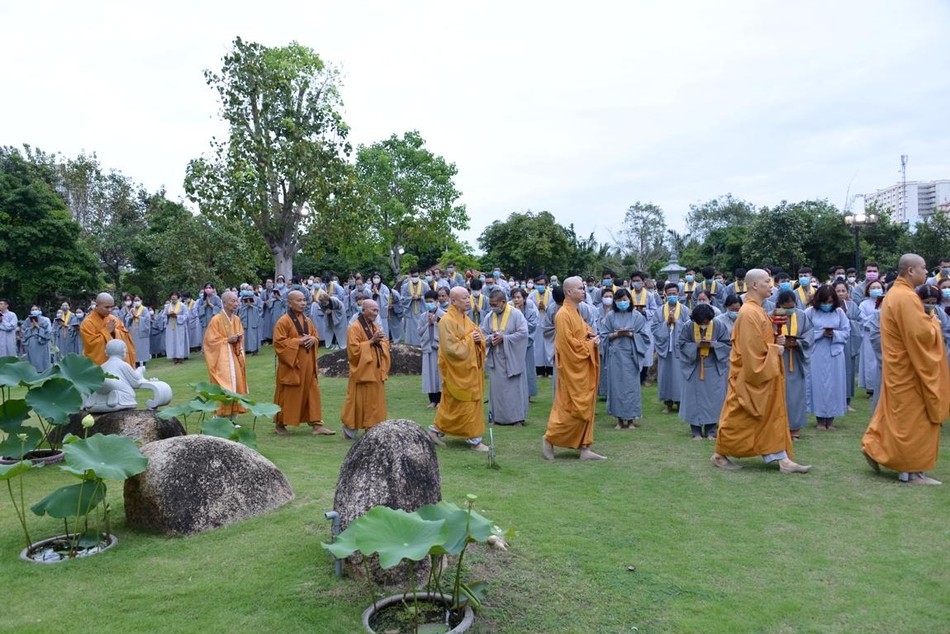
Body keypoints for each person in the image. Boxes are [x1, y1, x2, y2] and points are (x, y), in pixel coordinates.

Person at [711, 269, 811, 474]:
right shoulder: (748, 313)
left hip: (766, 374)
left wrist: (776, 341)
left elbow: (762, 342)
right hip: (751, 377)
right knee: (741, 417)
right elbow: (751, 352)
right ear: (754, 285)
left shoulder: (758, 310)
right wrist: (776, 349)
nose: (771, 285)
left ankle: (782, 459)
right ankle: (720, 454)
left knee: (770, 416)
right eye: (767, 281)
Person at [862, 254, 949, 485]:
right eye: (923, 268)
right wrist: (934, 324)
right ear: (910, 271)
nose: (927, 271)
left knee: (894, 415)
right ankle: (910, 471)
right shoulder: (905, 297)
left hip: (899, 368)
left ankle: (874, 447)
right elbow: (919, 334)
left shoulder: (896, 294)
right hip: (910, 370)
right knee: (913, 419)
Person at [542, 276, 605, 460]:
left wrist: (591, 337)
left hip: (583, 368)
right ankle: (549, 439)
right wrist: (589, 345)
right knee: (570, 409)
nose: (584, 290)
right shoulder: (562, 315)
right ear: (569, 292)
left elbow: (583, 332)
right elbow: (567, 346)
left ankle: (585, 448)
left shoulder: (575, 312)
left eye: (583, 287)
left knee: (585, 408)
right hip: (572, 371)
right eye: (580, 288)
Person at [428, 286, 489, 452]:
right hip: (456, 371)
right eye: (464, 298)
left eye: (468, 297)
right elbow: (451, 349)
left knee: (452, 405)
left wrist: (478, 340)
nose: (468, 301)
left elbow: (478, 335)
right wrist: (471, 339)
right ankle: (474, 440)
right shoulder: (447, 321)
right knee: (464, 402)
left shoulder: (465, 319)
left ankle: (435, 431)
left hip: (468, 370)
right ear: (453, 301)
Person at [271, 290, 335, 435]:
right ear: (289, 303)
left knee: (312, 393)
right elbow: (279, 343)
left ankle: (317, 425)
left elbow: (315, 337)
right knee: (289, 394)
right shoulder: (284, 321)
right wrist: (298, 341)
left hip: (308, 365)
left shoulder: (308, 320)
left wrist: (313, 340)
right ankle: (280, 424)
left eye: (304, 300)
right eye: (299, 300)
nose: (303, 303)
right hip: (292, 365)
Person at [599, 288, 650, 429]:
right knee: (616, 387)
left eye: (625, 300)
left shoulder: (637, 316)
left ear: (630, 300)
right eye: (619, 300)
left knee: (631, 387)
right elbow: (603, 335)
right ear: (615, 301)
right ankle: (619, 420)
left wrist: (631, 334)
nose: (622, 302)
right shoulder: (610, 316)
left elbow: (645, 337)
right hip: (615, 356)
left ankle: (631, 419)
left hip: (631, 356)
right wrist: (616, 334)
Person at [678, 303, 731, 440]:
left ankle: (711, 431)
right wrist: (696, 345)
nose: (704, 324)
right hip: (694, 366)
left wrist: (713, 345)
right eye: (701, 322)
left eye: (706, 322)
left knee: (713, 399)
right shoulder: (687, 326)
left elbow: (727, 344)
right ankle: (695, 431)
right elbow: (682, 344)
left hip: (713, 365)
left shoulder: (719, 325)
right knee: (693, 399)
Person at [340, 299, 390, 439]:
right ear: (363, 310)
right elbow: (353, 350)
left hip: (375, 371)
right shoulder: (354, 327)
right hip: (362, 372)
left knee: (375, 402)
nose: (376, 312)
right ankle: (349, 430)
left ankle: (372, 428)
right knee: (357, 403)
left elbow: (384, 343)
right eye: (373, 310)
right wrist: (371, 342)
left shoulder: (375, 326)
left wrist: (381, 343)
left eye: (377, 310)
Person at [481, 289, 530, 426]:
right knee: (497, 390)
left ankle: (516, 418)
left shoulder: (516, 314)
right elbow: (482, 334)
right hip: (496, 359)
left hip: (512, 357)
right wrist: (491, 338)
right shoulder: (489, 316)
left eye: (495, 304)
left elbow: (523, 333)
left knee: (514, 389)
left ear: (503, 302)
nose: (493, 307)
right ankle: (497, 417)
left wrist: (505, 338)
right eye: (491, 304)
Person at [805, 285, 850, 430]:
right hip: (817, 352)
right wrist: (820, 333)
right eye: (824, 302)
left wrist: (834, 334)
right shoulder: (810, 313)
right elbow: (805, 333)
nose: (827, 305)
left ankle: (831, 419)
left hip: (834, 352)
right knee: (818, 385)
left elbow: (846, 331)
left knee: (835, 384)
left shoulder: (839, 313)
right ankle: (819, 419)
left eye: (830, 302)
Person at [770, 290, 813, 439]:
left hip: (795, 358)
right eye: (786, 306)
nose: (789, 309)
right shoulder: (771, 316)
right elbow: (765, 337)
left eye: (792, 305)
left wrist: (797, 342)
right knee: (778, 394)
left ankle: (795, 428)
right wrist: (777, 342)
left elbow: (809, 334)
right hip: (777, 358)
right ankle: (778, 428)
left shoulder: (801, 315)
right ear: (779, 304)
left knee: (795, 395)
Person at [202, 291, 248, 418]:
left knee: (236, 384)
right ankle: (219, 416)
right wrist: (227, 340)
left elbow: (240, 335)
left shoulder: (237, 319)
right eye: (233, 301)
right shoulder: (216, 320)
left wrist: (237, 339)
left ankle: (233, 417)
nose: (236, 304)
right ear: (224, 303)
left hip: (235, 356)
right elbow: (210, 342)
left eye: (236, 301)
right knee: (224, 386)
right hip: (222, 359)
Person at [651, 283, 690, 414]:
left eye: (674, 293)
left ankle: (680, 402)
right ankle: (667, 403)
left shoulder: (684, 310)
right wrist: (666, 323)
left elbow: (689, 328)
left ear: (679, 294)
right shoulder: (659, 310)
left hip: (679, 348)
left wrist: (676, 322)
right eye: (670, 294)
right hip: (665, 347)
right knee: (665, 375)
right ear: (665, 295)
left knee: (679, 376)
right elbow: (654, 328)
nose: (672, 296)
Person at [81, 292, 136, 366]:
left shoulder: (113, 319)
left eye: (111, 307)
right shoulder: (87, 323)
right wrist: (107, 331)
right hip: (98, 365)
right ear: (97, 306)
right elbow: (91, 345)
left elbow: (126, 336)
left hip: (116, 364)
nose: (110, 310)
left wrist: (114, 332)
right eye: (106, 307)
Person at [857, 279, 885, 400]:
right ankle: (871, 389)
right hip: (868, 336)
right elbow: (862, 320)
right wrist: (876, 317)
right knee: (870, 362)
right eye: (873, 288)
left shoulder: (886, 302)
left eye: (878, 287)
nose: (876, 290)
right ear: (868, 290)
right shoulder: (864, 304)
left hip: (883, 334)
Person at [511, 287, 540, 400]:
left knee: (528, 369)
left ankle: (528, 394)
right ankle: (515, 393)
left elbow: (531, 327)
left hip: (527, 344)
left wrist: (519, 316)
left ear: (524, 298)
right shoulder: (510, 311)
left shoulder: (531, 312)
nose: (516, 300)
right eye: (514, 297)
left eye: (518, 297)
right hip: (513, 344)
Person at [418, 289, 444, 408]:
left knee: (439, 374)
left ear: (437, 301)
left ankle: (441, 399)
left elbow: (446, 330)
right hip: (428, 348)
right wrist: (428, 323)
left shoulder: (443, 314)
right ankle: (432, 400)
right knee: (429, 374)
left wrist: (435, 322)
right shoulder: (423, 316)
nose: (429, 303)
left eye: (431, 301)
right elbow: (420, 332)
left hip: (439, 348)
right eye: (427, 301)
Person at [21, 306, 52, 372]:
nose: (34, 311)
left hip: (42, 343)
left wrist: (38, 327)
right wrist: (31, 328)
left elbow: (48, 333)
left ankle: (44, 372)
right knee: (33, 360)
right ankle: (33, 372)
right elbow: (23, 332)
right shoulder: (27, 321)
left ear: (39, 310)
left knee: (43, 360)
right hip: (32, 343)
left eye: (36, 309)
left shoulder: (44, 320)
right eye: (32, 309)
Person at [162, 291, 190, 364]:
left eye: (175, 295)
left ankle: (180, 356)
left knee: (179, 341)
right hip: (170, 325)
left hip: (179, 325)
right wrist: (168, 316)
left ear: (177, 296)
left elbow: (186, 315)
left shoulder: (182, 305)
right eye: (172, 295)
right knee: (172, 341)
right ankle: (174, 356)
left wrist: (177, 316)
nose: (173, 297)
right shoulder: (167, 306)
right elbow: (163, 316)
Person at [124, 295, 151, 367]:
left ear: (141, 301)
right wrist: (131, 317)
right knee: (134, 347)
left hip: (141, 331)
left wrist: (138, 317)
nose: (136, 302)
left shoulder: (144, 309)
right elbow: (127, 319)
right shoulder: (132, 309)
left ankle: (143, 362)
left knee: (142, 348)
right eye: (135, 301)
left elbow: (147, 319)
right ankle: (135, 362)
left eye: (138, 300)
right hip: (133, 331)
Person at [238, 289, 263, 355]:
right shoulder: (243, 299)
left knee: (254, 334)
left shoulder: (258, 299)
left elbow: (260, 310)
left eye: (250, 289)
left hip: (254, 319)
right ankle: (246, 350)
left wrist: (252, 306)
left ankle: (255, 350)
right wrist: (246, 306)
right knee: (246, 334)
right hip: (246, 320)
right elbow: (240, 309)